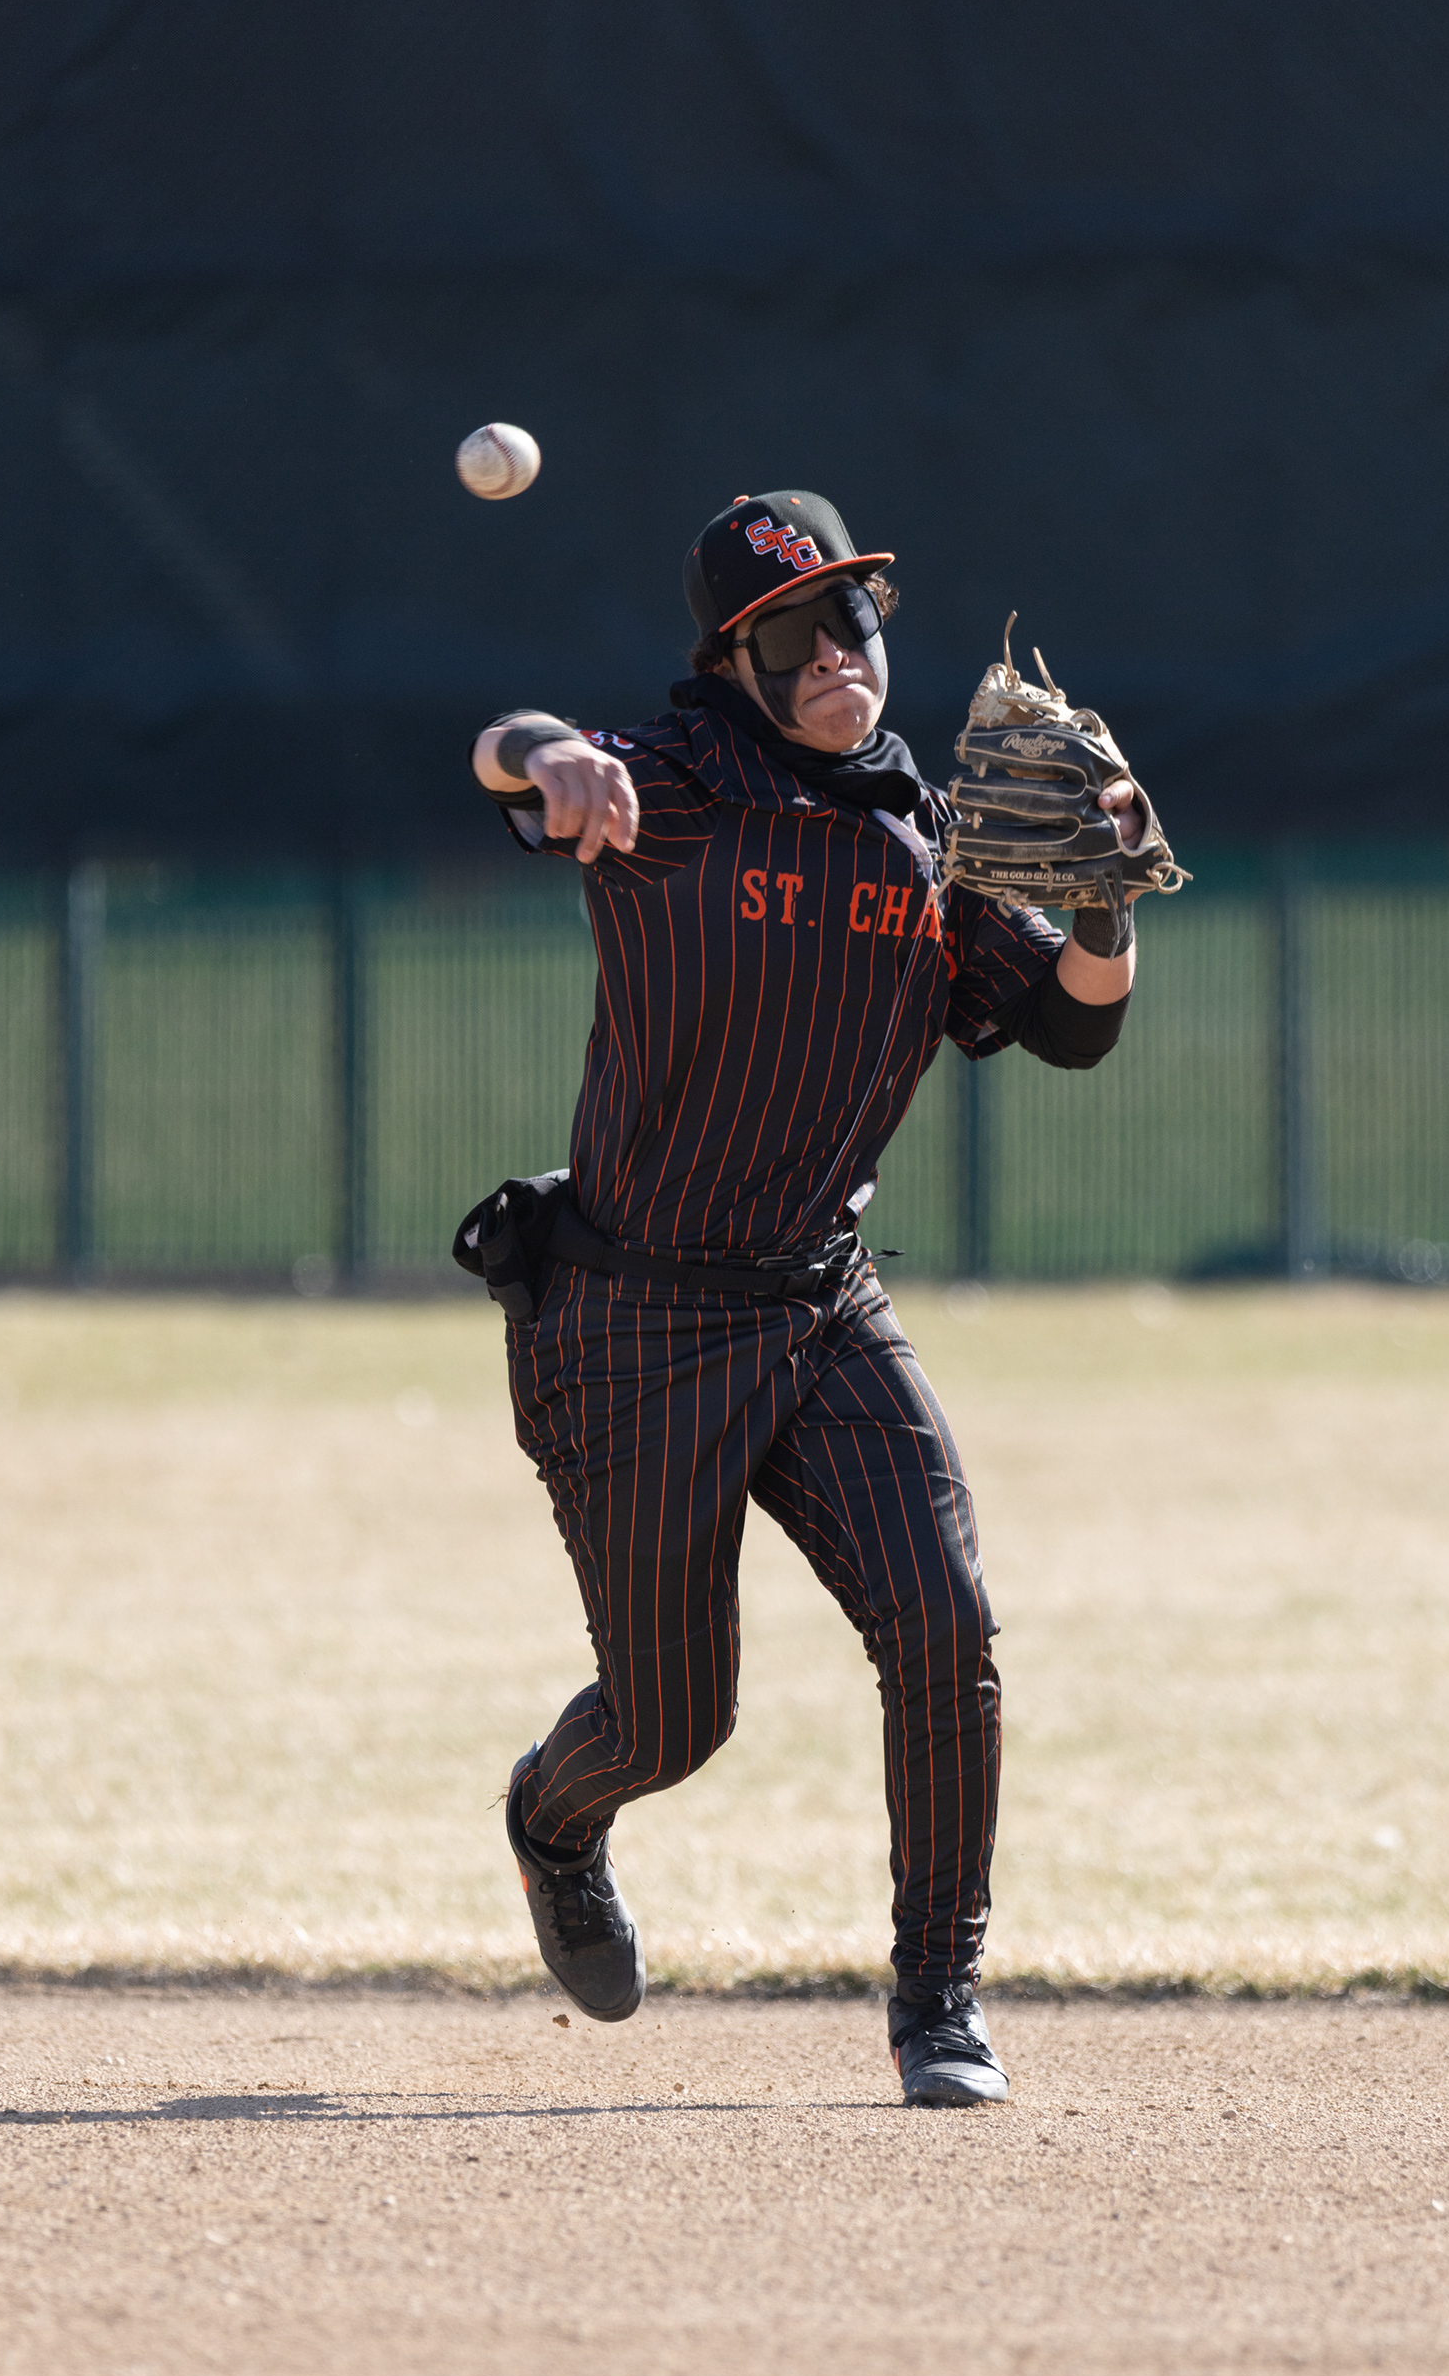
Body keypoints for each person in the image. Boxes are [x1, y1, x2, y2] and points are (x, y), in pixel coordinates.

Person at [469, 488, 1145, 2107]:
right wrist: (549, 756)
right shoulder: (670, 784)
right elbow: (508, 752)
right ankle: (553, 1821)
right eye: (791, 632)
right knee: (672, 1722)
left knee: (946, 1625)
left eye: (852, 618)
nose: (835, 652)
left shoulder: (933, 835)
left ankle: (940, 2002)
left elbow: (1073, 1027)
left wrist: (1108, 898)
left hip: (820, 1305)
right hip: (632, 1320)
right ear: (733, 661)